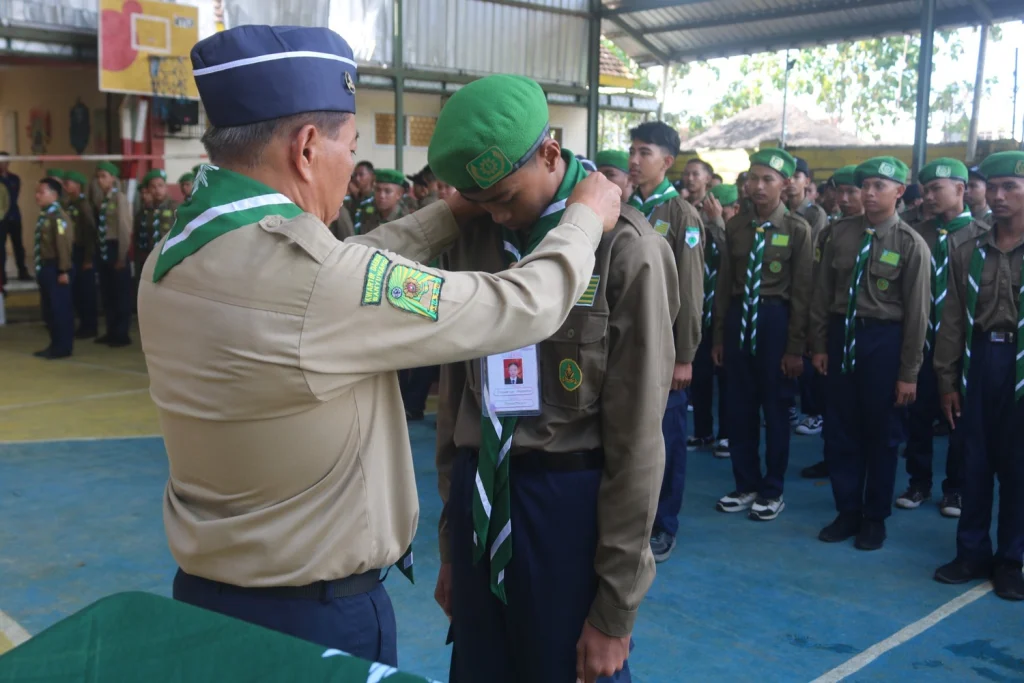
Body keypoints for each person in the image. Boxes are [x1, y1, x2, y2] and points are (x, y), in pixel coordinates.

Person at [138, 25, 625, 666]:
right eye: (351, 146)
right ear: (308, 148)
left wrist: (450, 214)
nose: (352, 167)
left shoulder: (175, 259)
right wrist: (586, 215)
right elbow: (521, 305)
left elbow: (342, 267)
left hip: (211, 598)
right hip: (314, 621)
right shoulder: (311, 284)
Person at [432, 74, 676, 683]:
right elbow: (456, 394)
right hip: (479, 494)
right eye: (478, 199)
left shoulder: (625, 249)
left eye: (506, 197)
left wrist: (615, 606)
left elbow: (638, 439)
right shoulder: (476, 235)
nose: (492, 211)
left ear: (549, 152)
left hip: (564, 510)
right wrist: (452, 543)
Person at [811, 157, 930, 551]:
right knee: (841, 430)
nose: (870, 193)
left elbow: (917, 315)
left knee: (882, 434)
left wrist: (908, 372)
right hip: (841, 337)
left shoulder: (911, 244)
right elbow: (822, 294)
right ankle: (847, 511)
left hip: (884, 341)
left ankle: (874, 517)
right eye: (866, 186)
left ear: (900, 192)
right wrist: (819, 344)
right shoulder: (838, 234)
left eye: (881, 186)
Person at [932, 150, 1024, 599]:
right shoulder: (968, 246)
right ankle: (971, 552)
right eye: (996, 187)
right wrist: (947, 379)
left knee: (1019, 466)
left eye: (1013, 188)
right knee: (975, 460)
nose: (1001, 196)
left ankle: (1011, 559)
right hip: (981, 359)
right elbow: (952, 318)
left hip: (1021, 363)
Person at [711, 148, 812, 522]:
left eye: (768, 179)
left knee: (775, 407)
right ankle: (745, 483)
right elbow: (724, 286)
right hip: (741, 317)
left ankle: (772, 489)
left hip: (774, 320)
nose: (757, 186)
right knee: (738, 407)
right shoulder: (736, 226)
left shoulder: (798, 230)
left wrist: (795, 347)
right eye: (753, 178)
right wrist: (720, 335)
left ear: (785, 184)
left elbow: (803, 293)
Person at [628, 121, 704, 561]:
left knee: (668, 438)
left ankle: (664, 524)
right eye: (632, 152)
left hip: (666, 348)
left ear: (667, 162)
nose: (634, 161)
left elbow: (691, 294)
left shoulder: (681, 216)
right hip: (630, 343)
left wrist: (685, 356)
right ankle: (634, 517)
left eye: (645, 153)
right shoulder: (625, 207)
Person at [896, 158, 986, 518]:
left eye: (937, 190)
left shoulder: (981, 234)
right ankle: (918, 482)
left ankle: (955, 488)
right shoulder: (917, 233)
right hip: (921, 336)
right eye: (926, 189)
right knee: (917, 413)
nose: (928, 196)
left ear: (961, 190)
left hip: (963, 343)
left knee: (958, 418)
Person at [800, 165, 862, 480]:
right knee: (833, 402)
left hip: (868, 330)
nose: (845, 198)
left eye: (853, 191)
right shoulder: (830, 233)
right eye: (840, 191)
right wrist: (817, 338)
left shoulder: (896, 235)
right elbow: (820, 289)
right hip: (836, 327)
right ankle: (833, 459)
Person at [689, 181, 733, 459]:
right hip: (702, 315)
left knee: (728, 381)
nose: (711, 212)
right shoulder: (701, 230)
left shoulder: (737, 230)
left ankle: (728, 433)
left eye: (718, 207)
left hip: (725, 316)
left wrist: (718, 223)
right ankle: (703, 430)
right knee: (701, 377)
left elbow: (732, 257)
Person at [33, 177, 74, 359]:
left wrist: (63, 270)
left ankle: (63, 347)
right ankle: (54, 343)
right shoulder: (45, 215)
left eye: (41, 192)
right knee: (49, 309)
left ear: (54, 195)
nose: (37, 196)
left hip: (55, 267)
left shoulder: (58, 216)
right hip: (45, 266)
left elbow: (63, 245)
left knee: (59, 309)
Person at [94, 161, 133, 347]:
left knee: (120, 294)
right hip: (104, 249)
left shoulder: (120, 199)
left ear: (113, 178)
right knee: (108, 293)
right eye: (98, 176)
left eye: (104, 176)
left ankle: (121, 333)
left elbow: (124, 228)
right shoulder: (104, 200)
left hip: (116, 247)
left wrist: (122, 255)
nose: (100, 180)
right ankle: (111, 330)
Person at [62, 170, 98, 339]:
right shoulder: (70, 204)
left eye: (69, 182)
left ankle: (90, 326)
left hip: (83, 251)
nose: (66, 185)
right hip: (73, 251)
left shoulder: (84, 205)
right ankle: (83, 324)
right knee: (77, 291)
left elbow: (91, 231)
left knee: (86, 292)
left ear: (77, 185)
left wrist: (89, 257)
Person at [134, 169, 177, 296]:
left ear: (166, 187)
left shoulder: (175, 208)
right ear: (148, 190)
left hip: (170, 259)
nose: (157, 190)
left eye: (160, 185)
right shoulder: (145, 212)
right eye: (153, 187)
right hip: (149, 259)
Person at [0, 153, 30, 281]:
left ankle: (22, 271)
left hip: (14, 216)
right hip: (1, 218)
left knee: (18, 245)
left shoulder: (14, 178)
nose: (3, 164)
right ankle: (2, 274)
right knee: (1, 247)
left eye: (5, 161)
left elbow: (13, 196)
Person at [358, 169, 408, 234]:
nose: (381, 196)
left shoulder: (405, 220)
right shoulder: (368, 215)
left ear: (399, 194)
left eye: (387, 191)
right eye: (378, 190)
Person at [350, 160, 375, 230]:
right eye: (355, 175)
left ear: (372, 176)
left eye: (361, 175)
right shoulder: (353, 200)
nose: (357, 179)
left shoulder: (376, 200)